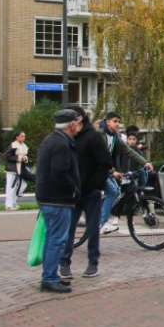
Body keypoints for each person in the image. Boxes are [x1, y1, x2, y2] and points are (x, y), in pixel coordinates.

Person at [59, 107, 113, 280]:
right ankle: (65, 263)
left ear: (79, 119)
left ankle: (93, 263)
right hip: (72, 191)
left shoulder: (93, 137)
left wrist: (97, 185)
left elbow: (104, 162)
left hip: (90, 191)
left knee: (92, 228)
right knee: (68, 228)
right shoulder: (67, 137)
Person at [35, 109, 82, 293]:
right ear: (71, 124)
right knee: (57, 240)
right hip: (57, 200)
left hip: (47, 198)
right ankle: (49, 278)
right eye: (77, 122)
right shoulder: (61, 144)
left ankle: (49, 274)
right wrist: (73, 189)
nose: (79, 124)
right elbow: (60, 172)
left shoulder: (50, 140)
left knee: (51, 238)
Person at [97, 112, 151, 234]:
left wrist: (144, 163)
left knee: (115, 191)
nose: (117, 124)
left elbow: (127, 151)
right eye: (115, 121)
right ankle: (102, 222)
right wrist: (113, 171)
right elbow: (100, 156)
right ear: (107, 122)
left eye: (119, 122)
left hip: (106, 170)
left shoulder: (115, 136)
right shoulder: (100, 135)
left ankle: (98, 214)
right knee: (113, 191)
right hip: (98, 169)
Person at [4, 131, 29, 211]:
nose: (23, 138)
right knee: (10, 186)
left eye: (24, 136)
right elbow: (8, 156)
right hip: (12, 169)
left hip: (20, 168)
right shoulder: (13, 145)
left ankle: (13, 201)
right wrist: (18, 158)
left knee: (22, 185)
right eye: (22, 136)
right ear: (17, 137)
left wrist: (24, 158)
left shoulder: (23, 146)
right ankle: (9, 204)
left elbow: (23, 155)